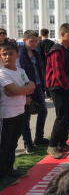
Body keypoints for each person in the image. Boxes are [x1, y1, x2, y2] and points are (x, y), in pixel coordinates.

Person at [0, 42, 35, 186]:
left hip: (20, 111)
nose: (8, 57)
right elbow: (13, 90)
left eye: (11, 54)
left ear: (17, 55)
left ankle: (10, 169)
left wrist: (19, 90)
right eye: (4, 54)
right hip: (7, 114)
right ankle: (2, 174)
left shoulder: (20, 71)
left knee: (13, 143)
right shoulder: (2, 73)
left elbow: (32, 87)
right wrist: (23, 90)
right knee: (4, 146)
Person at [46, 24, 69, 159]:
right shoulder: (56, 50)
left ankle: (61, 143)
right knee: (61, 116)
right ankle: (52, 145)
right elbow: (58, 73)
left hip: (67, 87)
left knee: (67, 115)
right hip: (57, 87)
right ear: (62, 34)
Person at [17, 30, 48, 154]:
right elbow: (21, 75)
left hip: (38, 86)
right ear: (24, 40)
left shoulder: (36, 53)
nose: (35, 43)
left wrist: (43, 87)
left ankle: (39, 138)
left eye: (36, 41)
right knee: (26, 116)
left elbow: (40, 70)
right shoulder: (21, 55)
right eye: (32, 41)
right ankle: (27, 142)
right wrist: (27, 93)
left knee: (43, 111)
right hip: (27, 88)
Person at [37, 29, 55, 100]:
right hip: (51, 63)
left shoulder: (39, 43)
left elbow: (39, 54)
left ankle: (47, 93)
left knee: (45, 78)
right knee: (51, 77)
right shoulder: (51, 42)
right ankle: (51, 92)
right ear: (48, 34)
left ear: (41, 34)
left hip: (43, 63)